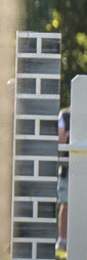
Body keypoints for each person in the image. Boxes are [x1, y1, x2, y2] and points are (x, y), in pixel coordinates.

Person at [58, 107, 70, 251]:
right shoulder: (64, 115)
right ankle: (63, 241)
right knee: (65, 205)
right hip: (66, 168)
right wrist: (66, 135)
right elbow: (60, 142)